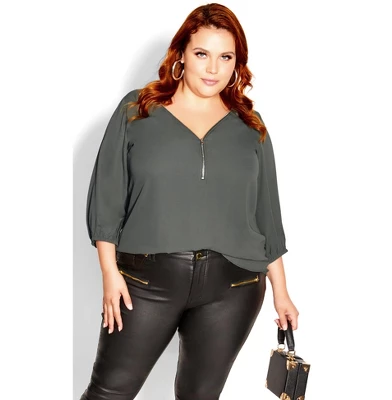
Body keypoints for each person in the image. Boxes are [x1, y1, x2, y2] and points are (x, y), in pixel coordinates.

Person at [80, 3, 299, 400]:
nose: (213, 68)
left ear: (237, 63)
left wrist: (281, 292)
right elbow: (107, 197)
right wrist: (109, 273)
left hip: (235, 286)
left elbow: (267, 214)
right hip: (145, 283)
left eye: (226, 57)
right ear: (181, 53)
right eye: (202, 54)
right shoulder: (138, 110)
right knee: (109, 393)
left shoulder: (250, 126)